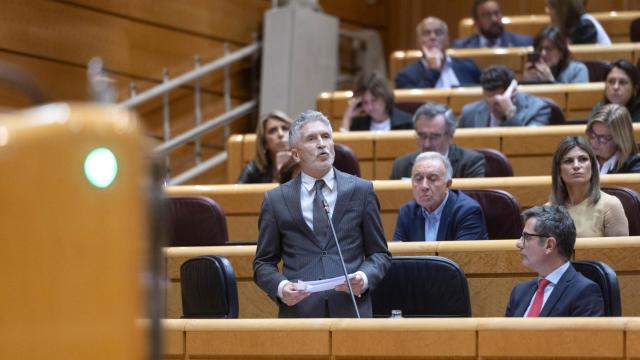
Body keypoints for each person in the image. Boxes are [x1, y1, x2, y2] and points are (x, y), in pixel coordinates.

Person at [253, 110, 391, 318]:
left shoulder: (361, 191)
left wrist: (363, 277)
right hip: (300, 315)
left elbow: (379, 254)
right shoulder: (276, 200)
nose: (321, 143)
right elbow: (263, 263)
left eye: (326, 136)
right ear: (296, 154)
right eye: (311, 138)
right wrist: (281, 288)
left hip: (351, 311)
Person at [505, 204, 604, 317]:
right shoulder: (519, 292)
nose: (518, 243)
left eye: (526, 237)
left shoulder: (584, 293)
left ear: (549, 245)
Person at [393, 152, 488, 241]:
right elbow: (397, 255)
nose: (424, 186)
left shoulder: (467, 211)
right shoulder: (407, 212)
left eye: (432, 179)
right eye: (418, 179)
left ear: (448, 184)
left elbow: (464, 257)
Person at [549, 136, 628, 237]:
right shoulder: (548, 211)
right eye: (568, 161)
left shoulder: (611, 206)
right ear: (559, 171)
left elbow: (621, 252)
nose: (576, 166)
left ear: (592, 167)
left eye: (583, 159)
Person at [390, 102, 485, 179]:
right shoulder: (401, 166)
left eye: (434, 137)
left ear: (450, 136)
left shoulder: (470, 164)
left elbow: (472, 202)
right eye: (422, 136)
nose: (427, 144)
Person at [395, 17, 481, 89]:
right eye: (426, 33)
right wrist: (433, 70)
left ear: (447, 39)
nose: (433, 37)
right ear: (418, 42)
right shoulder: (405, 76)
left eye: (438, 33)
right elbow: (416, 105)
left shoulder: (468, 67)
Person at [458, 65, 551, 128]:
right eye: (488, 99)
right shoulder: (469, 113)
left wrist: (510, 112)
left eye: (497, 102)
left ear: (512, 91)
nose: (491, 107)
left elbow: (528, 144)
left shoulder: (538, 109)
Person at [340, 72, 413, 132]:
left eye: (374, 100)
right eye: (365, 102)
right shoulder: (357, 125)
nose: (370, 107)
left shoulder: (407, 123)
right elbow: (342, 148)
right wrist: (347, 117)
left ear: (385, 97)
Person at [238, 111, 293, 183]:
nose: (280, 134)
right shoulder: (254, 169)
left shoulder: (306, 163)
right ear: (264, 143)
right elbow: (235, 193)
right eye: (273, 131)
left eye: (285, 128)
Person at [453, 0, 533, 48]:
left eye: (496, 13)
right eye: (487, 15)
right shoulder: (461, 48)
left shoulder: (524, 44)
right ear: (477, 22)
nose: (494, 19)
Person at [522, 26, 588, 84]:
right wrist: (527, 83)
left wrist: (550, 82)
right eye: (539, 49)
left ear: (561, 53)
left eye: (548, 49)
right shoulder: (534, 71)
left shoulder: (577, 70)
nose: (543, 53)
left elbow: (577, 97)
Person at [586, 104, 640, 174]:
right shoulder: (580, 160)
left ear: (620, 139)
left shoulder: (634, 164)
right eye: (593, 135)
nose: (595, 142)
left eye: (603, 138)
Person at [546, 0, 611, 45]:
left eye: (551, 7)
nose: (547, 11)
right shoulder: (573, 25)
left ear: (563, 9)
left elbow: (571, 59)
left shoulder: (585, 26)